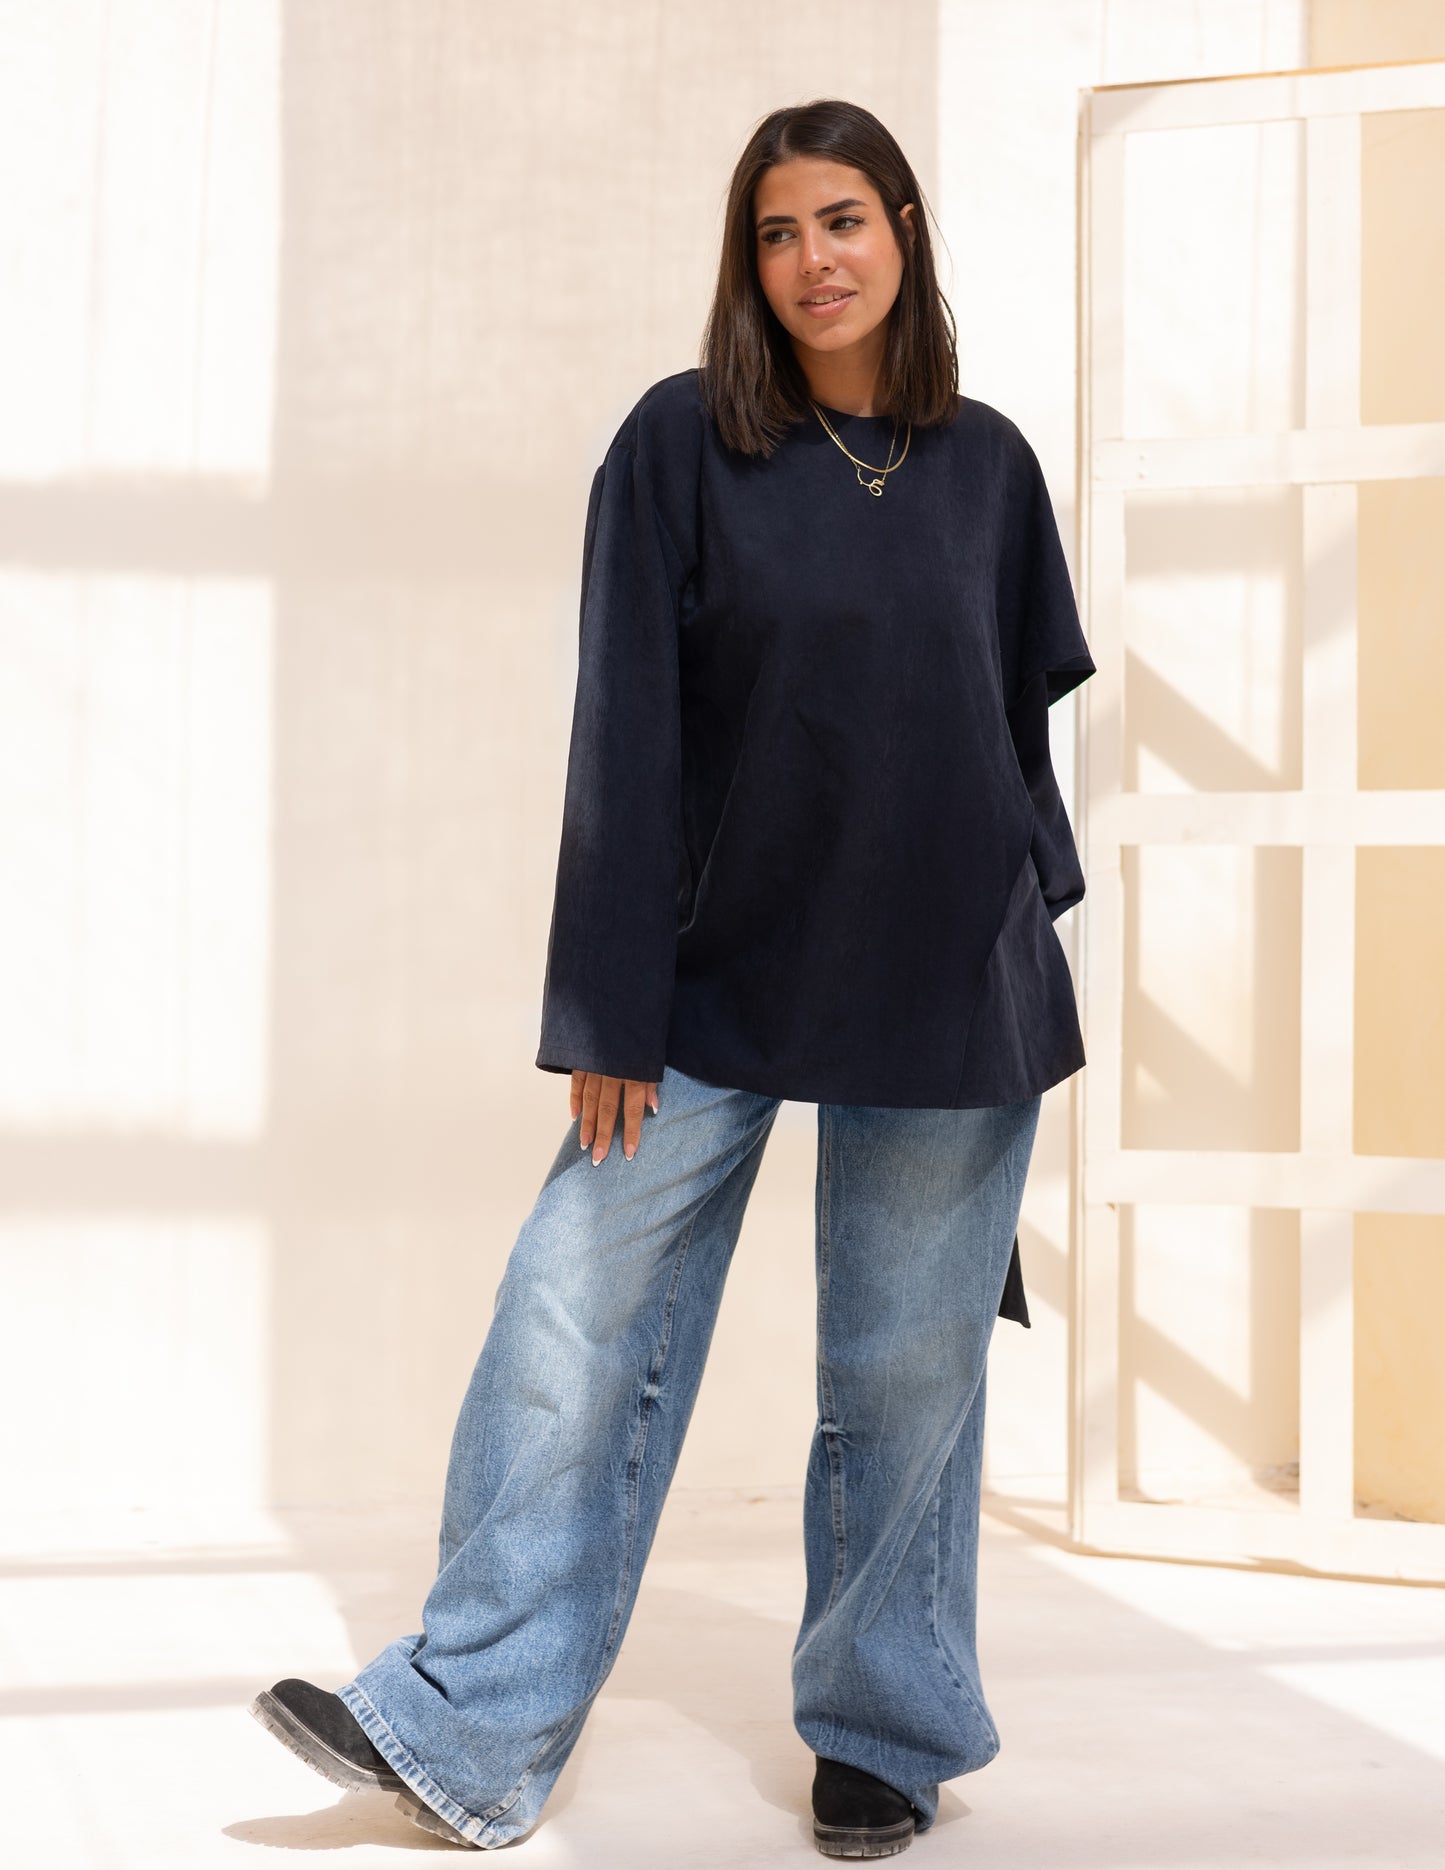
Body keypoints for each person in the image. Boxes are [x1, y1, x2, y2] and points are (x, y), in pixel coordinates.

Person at [250, 97, 1095, 1858]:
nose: (814, 262)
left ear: (906, 231)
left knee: (909, 1368)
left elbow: (1009, 737)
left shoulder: (990, 466)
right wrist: (610, 1005)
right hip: (717, 967)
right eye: (778, 234)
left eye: (843, 221)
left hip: (952, 975)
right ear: (747, 259)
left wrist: (1033, 944)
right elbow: (624, 737)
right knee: (572, 1312)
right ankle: (462, 1720)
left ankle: (883, 1733)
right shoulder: (678, 446)